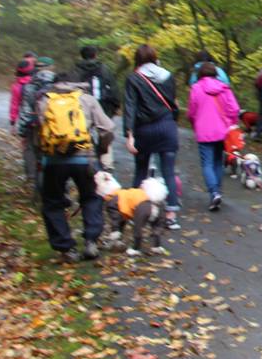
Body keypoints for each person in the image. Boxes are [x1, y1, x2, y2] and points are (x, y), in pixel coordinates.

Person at [36, 72, 115, 262]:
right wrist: (102, 149)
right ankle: (91, 242)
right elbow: (108, 128)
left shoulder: (44, 101)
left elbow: (40, 131)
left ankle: (66, 249)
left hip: (54, 161)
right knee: (91, 197)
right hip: (84, 158)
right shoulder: (87, 99)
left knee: (53, 202)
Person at [124, 45, 182, 228]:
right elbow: (173, 103)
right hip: (167, 126)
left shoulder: (133, 78)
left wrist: (129, 134)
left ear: (137, 60)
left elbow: (130, 107)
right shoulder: (168, 76)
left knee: (141, 170)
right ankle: (171, 214)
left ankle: (136, 210)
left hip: (144, 130)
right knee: (169, 172)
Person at [187, 62, 241, 211]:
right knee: (218, 162)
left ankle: (214, 192)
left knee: (207, 164)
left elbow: (191, 112)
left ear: (200, 75)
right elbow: (234, 108)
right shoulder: (224, 88)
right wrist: (231, 123)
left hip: (204, 131)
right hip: (222, 131)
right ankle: (218, 191)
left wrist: (194, 123)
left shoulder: (196, 88)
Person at [74, 45, 121, 173]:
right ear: (95, 55)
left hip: (83, 106)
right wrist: (116, 105)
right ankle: (106, 163)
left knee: (85, 134)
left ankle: (87, 163)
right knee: (105, 132)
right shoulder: (105, 69)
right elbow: (113, 87)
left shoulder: (76, 70)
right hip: (104, 106)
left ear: (82, 56)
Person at [17, 56, 57, 191]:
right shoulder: (61, 83)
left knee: (32, 151)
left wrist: (22, 132)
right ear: (52, 68)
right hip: (56, 129)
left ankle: (32, 179)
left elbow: (25, 111)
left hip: (36, 128)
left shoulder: (30, 86)